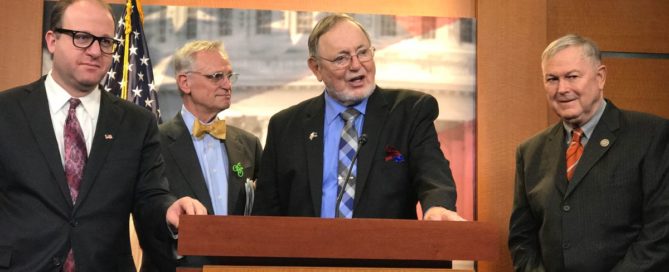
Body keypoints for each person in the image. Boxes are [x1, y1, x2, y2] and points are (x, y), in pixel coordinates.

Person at [0, 0, 206, 271]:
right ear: (52, 40)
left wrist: (168, 210)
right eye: (82, 38)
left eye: (106, 42)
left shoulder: (136, 122)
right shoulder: (7, 111)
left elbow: (150, 196)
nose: (96, 51)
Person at [254, 13, 463, 221]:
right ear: (316, 68)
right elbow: (266, 215)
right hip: (309, 252)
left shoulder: (410, 113)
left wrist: (438, 207)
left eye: (363, 52)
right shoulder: (285, 128)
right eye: (341, 58)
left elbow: (433, 176)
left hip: (384, 251)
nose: (356, 65)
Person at [508, 34, 669, 271]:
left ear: (600, 77)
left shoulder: (651, 135)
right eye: (552, 79)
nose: (562, 89)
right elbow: (522, 239)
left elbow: (661, 231)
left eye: (572, 77)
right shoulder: (530, 152)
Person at [140, 40, 262, 271]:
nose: (227, 85)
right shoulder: (153, 142)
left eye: (229, 76)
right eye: (216, 76)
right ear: (185, 82)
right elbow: (145, 211)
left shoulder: (249, 144)